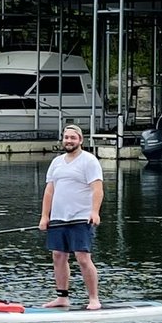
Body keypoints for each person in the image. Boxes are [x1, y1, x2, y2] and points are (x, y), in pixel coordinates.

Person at [38, 125, 104, 310]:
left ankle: (93, 299)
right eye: (66, 137)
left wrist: (94, 212)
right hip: (58, 217)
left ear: (80, 140)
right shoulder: (57, 162)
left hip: (81, 218)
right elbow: (49, 191)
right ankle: (62, 297)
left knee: (83, 258)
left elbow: (97, 189)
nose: (68, 141)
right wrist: (45, 216)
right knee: (58, 256)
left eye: (72, 138)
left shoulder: (89, 161)